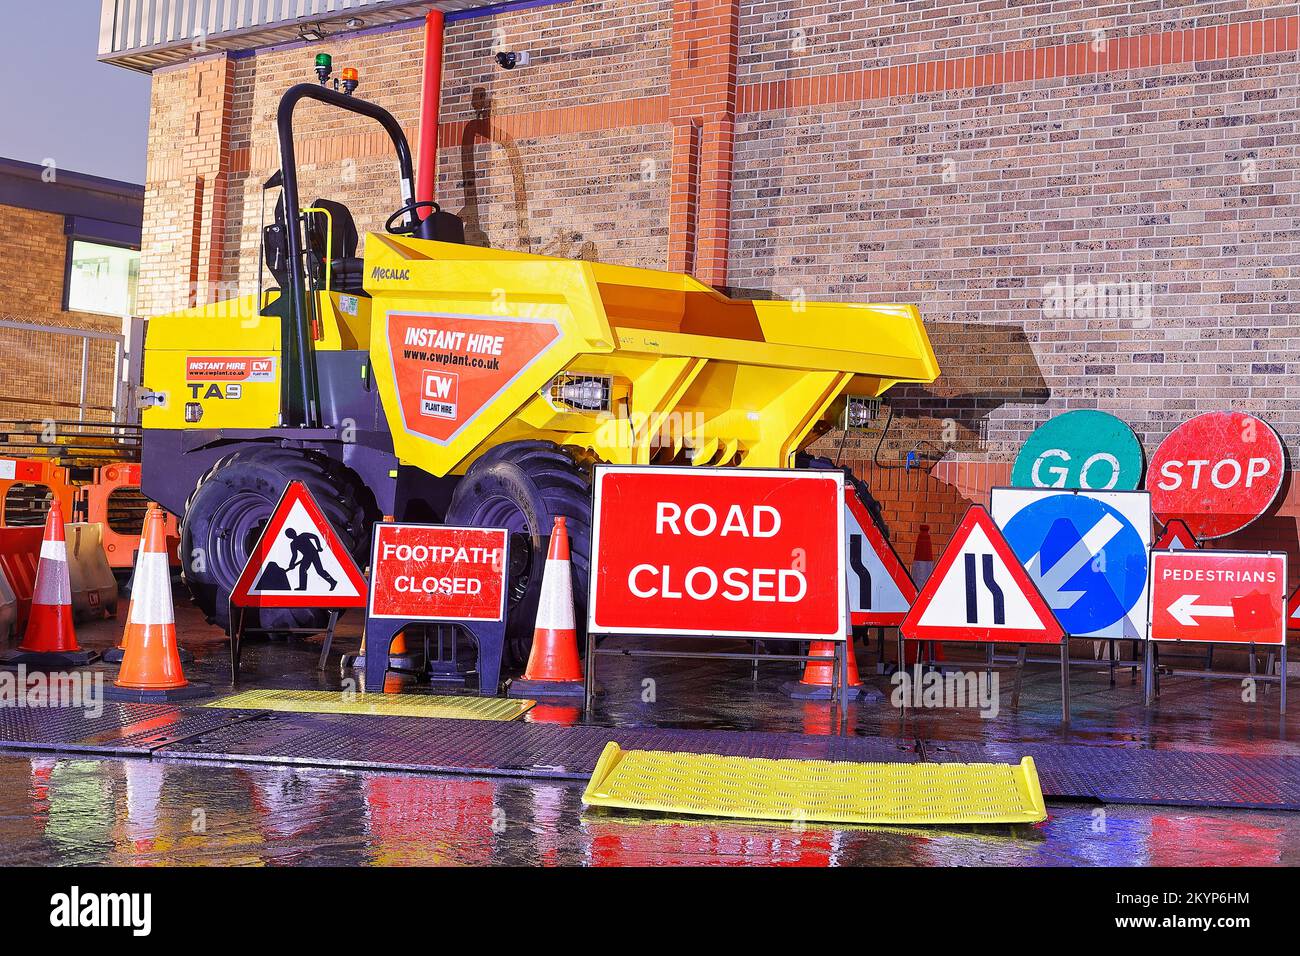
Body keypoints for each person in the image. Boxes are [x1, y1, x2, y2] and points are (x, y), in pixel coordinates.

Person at [284, 527, 337, 592]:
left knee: (319, 570)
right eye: (289, 534)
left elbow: (315, 537)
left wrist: (319, 547)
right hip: (306, 557)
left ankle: (333, 582)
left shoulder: (303, 535)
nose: (291, 535)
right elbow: (294, 555)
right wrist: (291, 563)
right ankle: (302, 587)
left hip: (313, 554)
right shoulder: (293, 544)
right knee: (302, 569)